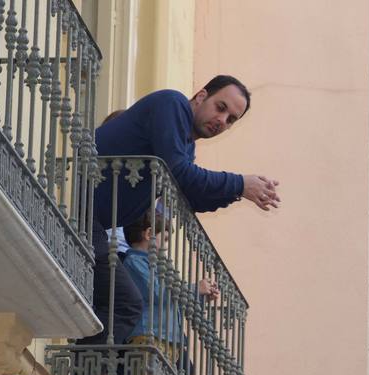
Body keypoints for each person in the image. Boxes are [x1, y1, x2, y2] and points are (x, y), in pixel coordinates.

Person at [83, 76, 280, 346]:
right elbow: (179, 172)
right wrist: (239, 183)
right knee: (125, 303)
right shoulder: (172, 103)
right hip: (80, 207)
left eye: (231, 119)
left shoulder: (187, 145)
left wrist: (240, 192)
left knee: (116, 301)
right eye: (220, 107)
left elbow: (191, 197)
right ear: (201, 96)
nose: (222, 120)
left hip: (92, 220)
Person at [121, 209, 212, 372]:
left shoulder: (156, 266)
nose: (166, 246)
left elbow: (173, 300)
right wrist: (194, 288)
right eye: (165, 239)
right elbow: (157, 292)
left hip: (165, 338)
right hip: (149, 336)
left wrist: (200, 294)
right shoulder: (134, 262)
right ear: (149, 234)